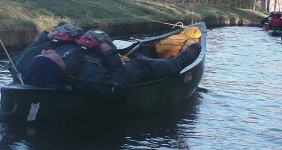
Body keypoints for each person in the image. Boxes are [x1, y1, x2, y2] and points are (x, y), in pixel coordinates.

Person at [12, 24, 201, 102]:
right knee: (153, 66)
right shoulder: (89, 79)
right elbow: (119, 85)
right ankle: (183, 58)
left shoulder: (27, 65)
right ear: (56, 67)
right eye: (47, 55)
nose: (46, 51)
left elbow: (21, 59)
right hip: (113, 68)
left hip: (87, 52)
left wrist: (50, 36)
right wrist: (108, 51)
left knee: (63, 25)